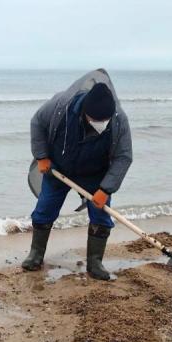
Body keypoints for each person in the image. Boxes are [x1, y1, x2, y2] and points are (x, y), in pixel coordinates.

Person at [22, 69, 133, 281]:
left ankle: (95, 263)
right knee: (44, 209)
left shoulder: (119, 120)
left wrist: (106, 189)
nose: (102, 123)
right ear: (84, 112)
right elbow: (37, 122)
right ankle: (36, 254)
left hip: (95, 175)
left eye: (105, 120)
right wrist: (42, 156)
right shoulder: (61, 106)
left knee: (101, 216)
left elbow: (124, 157)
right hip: (58, 169)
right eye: (96, 119)